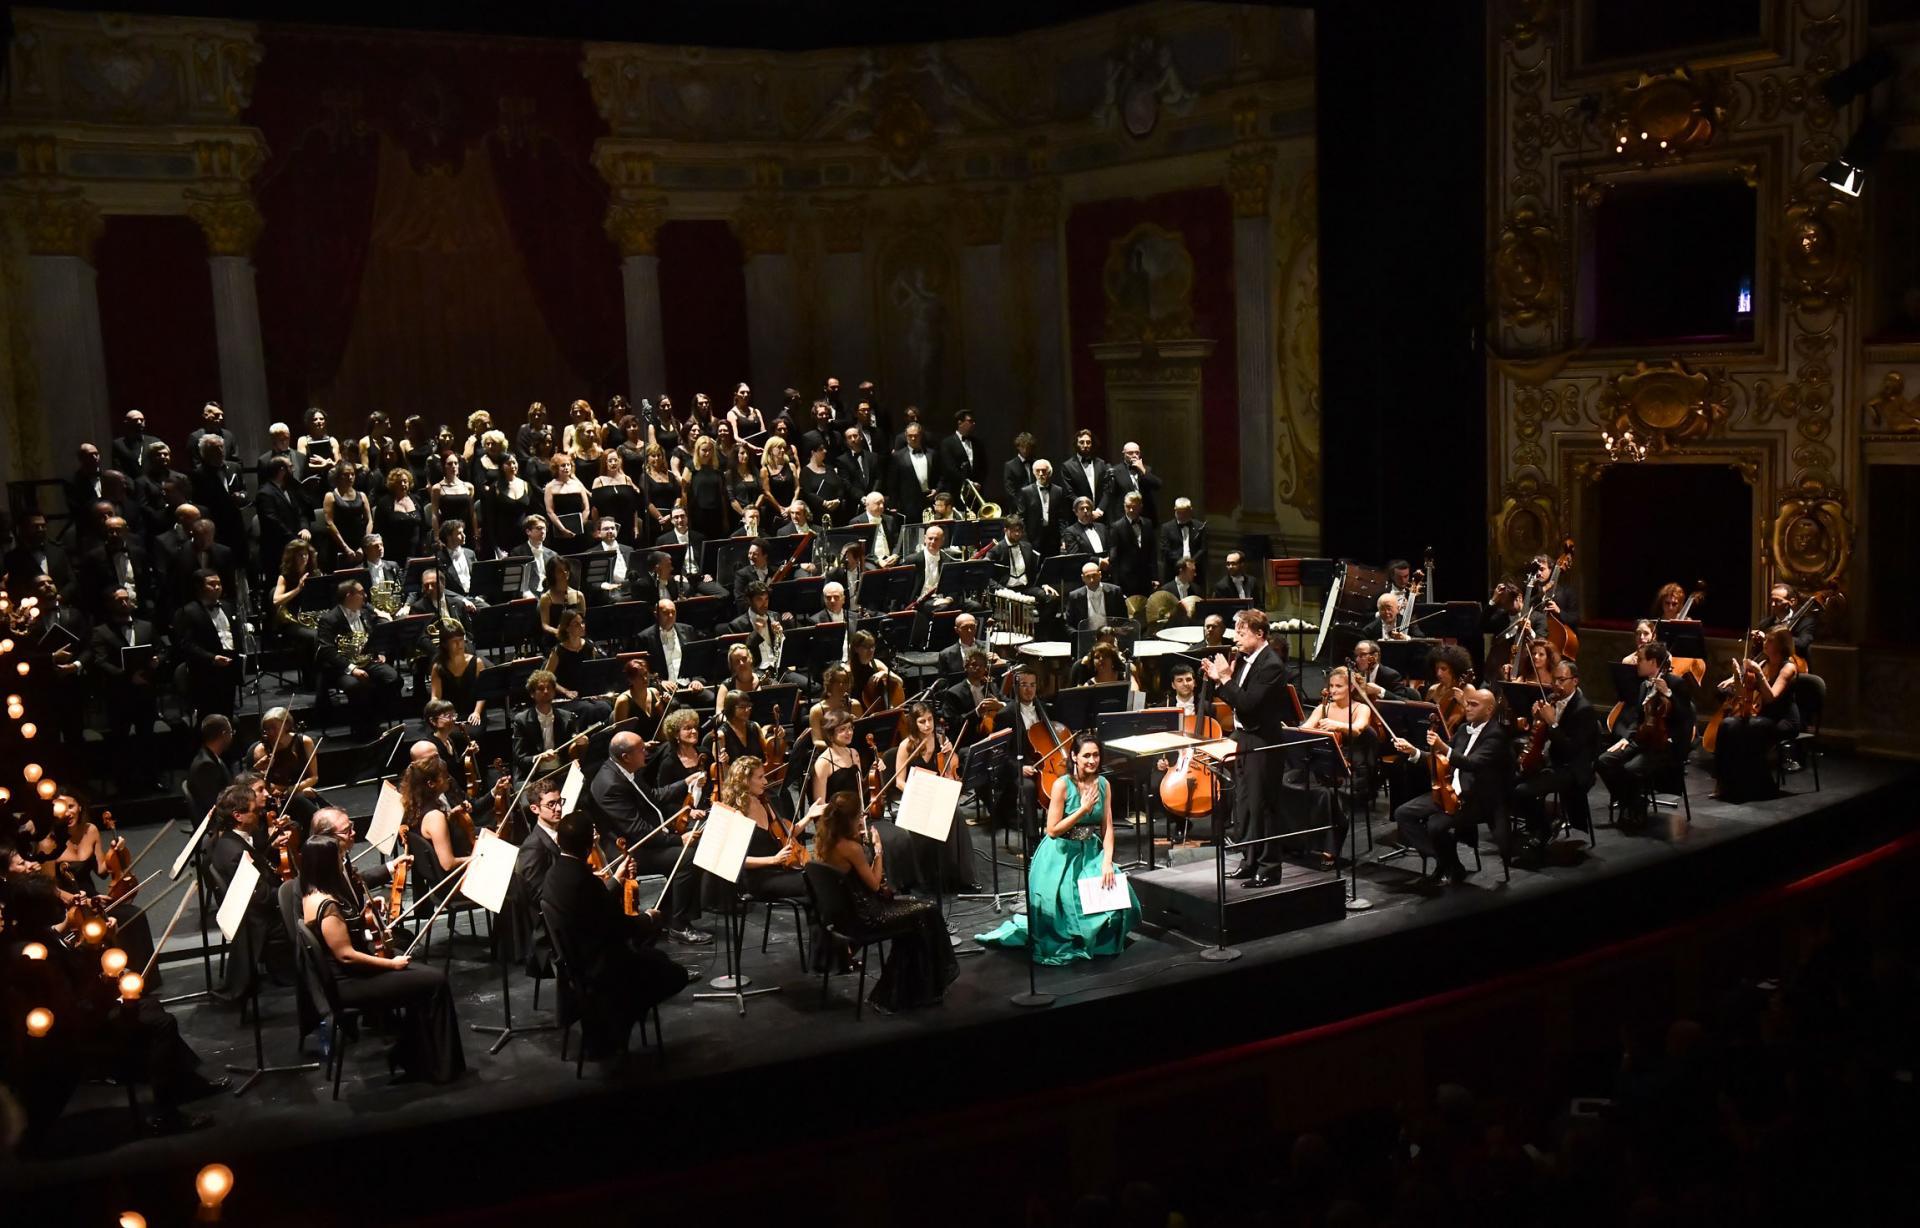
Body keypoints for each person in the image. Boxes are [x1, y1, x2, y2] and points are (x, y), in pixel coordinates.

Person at [299, 836, 466, 1084]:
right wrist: (392, 964)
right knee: (435, 981)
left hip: (349, 977)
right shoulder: (326, 905)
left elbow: (346, 935)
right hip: (349, 984)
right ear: (325, 863)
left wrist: (366, 912)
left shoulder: (313, 894)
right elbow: (346, 955)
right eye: (336, 857)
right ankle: (437, 1066)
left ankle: (412, 1056)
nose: (340, 861)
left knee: (424, 979)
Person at [539, 810, 696, 1057]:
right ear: (588, 844)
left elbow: (592, 908)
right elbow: (622, 927)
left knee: (653, 960)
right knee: (673, 972)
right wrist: (650, 918)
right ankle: (621, 1019)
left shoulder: (555, 874)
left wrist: (616, 878)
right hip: (601, 968)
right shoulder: (585, 881)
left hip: (576, 965)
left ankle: (615, 1018)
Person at [977, 734, 1139, 963]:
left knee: (1117, 894)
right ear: (1074, 756)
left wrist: (1106, 862)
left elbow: (1107, 827)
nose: (1092, 760)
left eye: (1095, 755)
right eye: (1086, 756)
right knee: (1068, 910)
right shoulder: (1062, 785)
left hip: (1090, 850)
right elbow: (1052, 830)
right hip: (1062, 853)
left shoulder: (1104, 784)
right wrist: (1082, 811)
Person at [812, 791, 959, 1011]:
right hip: (869, 916)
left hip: (845, 914)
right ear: (851, 819)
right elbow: (874, 884)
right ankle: (907, 991)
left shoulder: (826, 841)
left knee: (920, 917)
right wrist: (878, 851)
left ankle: (914, 990)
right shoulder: (852, 848)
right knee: (928, 911)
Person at [585, 731, 712, 944]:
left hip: (643, 839)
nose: (647, 752)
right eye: (641, 749)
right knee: (687, 857)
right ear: (626, 756)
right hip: (627, 850)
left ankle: (664, 915)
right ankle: (678, 925)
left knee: (689, 849)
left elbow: (654, 796)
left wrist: (685, 782)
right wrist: (676, 839)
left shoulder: (626, 770)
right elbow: (637, 830)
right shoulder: (610, 785)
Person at [1389, 685, 1512, 886]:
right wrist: (1413, 752)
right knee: (1403, 813)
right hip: (1448, 792)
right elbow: (1441, 759)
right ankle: (1446, 862)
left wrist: (1443, 746)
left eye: (1474, 704)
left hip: (1476, 799)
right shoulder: (1464, 730)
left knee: (1435, 825)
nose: (1468, 708)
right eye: (1467, 704)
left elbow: (1471, 763)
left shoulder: (1496, 735)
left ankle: (1448, 865)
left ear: (1489, 709)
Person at [1201, 609, 1291, 886]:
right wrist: (1216, 679)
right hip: (1243, 738)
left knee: (1262, 805)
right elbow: (1233, 697)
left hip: (1263, 742)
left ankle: (1269, 868)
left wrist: (1225, 679)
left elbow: (1248, 703)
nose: (1236, 638)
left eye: (1242, 633)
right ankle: (1249, 861)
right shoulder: (1244, 660)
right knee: (1245, 804)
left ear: (1259, 634)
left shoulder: (1271, 665)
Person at [1597, 642, 1695, 831]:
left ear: (1652, 662)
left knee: (1630, 769)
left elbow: (1686, 717)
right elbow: (1637, 718)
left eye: (1640, 660)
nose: (1637, 663)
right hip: (1643, 739)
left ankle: (1633, 807)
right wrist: (1626, 738)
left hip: (1665, 744)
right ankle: (1633, 802)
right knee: (1604, 761)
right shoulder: (1644, 685)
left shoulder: (1676, 683)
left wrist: (1668, 693)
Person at [1511, 659, 1599, 845]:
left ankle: (1543, 830)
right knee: (1509, 780)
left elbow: (1571, 750)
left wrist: (1552, 723)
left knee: (1524, 791)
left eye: (1561, 680)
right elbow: (1539, 736)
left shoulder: (1584, 710)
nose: (1556, 685)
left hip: (1572, 768)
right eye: (1554, 681)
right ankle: (1536, 823)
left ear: (1575, 681)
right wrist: (1536, 719)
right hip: (1551, 760)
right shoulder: (1552, 701)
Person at [1712, 626, 1800, 803]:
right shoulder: (1764, 663)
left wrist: (1758, 673)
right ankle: (1723, 782)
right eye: (1765, 640)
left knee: (1748, 729)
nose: (1764, 644)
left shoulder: (1788, 668)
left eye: (1770, 641)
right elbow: (1744, 693)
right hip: (1763, 716)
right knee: (1727, 725)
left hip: (1783, 719)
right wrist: (1736, 678)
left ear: (1782, 645)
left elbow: (1771, 697)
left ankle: (1757, 786)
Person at [315, 578, 400, 738]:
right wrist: (352, 669)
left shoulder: (365, 611)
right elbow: (327, 651)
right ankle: (362, 728)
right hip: (342, 668)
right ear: (349, 595)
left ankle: (375, 719)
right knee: (356, 686)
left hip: (367, 660)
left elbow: (377, 632)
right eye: (361, 593)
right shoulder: (329, 619)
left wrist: (380, 651)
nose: (365, 596)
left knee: (393, 679)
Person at [511, 669, 592, 780]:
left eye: (549, 688)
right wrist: (540, 758)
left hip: (561, 772)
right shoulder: (521, 721)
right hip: (532, 776)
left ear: (554, 692)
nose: (546, 691)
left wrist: (582, 742)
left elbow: (574, 743)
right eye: (540, 688)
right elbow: (520, 759)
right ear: (532, 694)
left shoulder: (567, 717)